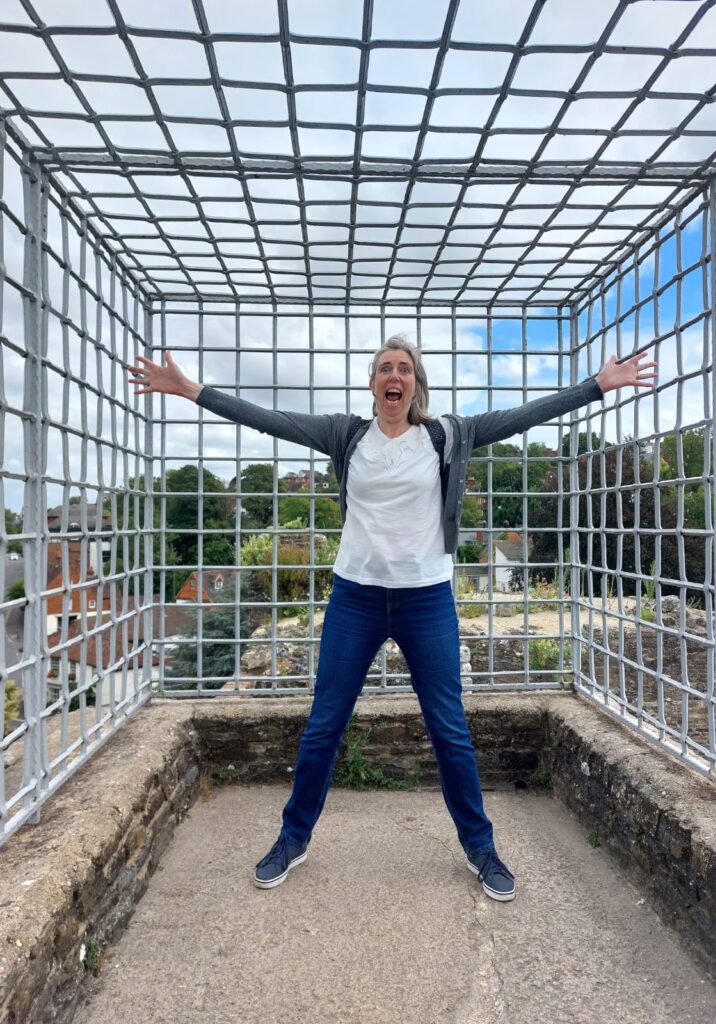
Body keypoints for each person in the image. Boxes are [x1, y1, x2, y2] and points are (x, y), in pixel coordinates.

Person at [129, 338, 656, 902]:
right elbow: (271, 420)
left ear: (416, 384)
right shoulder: (346, 435)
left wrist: (596, 386)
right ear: (374, 383)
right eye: (385, 368)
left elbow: (522, 416)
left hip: (425, 599)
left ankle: (481, 848)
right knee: (324, 725)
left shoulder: (446, 436)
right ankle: (292, 837)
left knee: (449, 730)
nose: (394, 376)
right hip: (354, 598)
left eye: (404, 368)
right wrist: (191, 390)